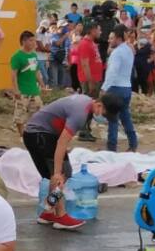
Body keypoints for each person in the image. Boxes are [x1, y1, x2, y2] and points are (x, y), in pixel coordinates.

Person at [22, 93, 122, 230]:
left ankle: (48, 211)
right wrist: (58, 172)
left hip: (38, 134)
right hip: (39, 134)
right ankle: (60, 216)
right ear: (99, 105)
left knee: (63, 173)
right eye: (104, 115)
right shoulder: (80, 114)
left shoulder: (85, 103)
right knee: (60, 174)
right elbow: (62, 143)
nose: (103, 118)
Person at [102, 25, 138, 152]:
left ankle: (111, 148)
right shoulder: (129, 50)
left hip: (115, 88)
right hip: (126, 87)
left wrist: (104, 88)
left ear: (118, 38)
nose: (109, 41)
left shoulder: (116, 53)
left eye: (111, 38)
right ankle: (133, 144)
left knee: (112, 119)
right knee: (125, 117)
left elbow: (112, 72)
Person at [10, 31, 44, 135]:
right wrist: (16, 90)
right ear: (24, 41)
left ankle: (32, 132)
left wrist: (42, 85)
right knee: (20, 114)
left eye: (34, 40)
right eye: (31, 40)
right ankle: (22, 135)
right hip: (23, 91)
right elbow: (13, 74)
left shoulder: (34, 55)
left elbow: (36, 71)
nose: (34, 43)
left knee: (37, 113)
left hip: (34, 90)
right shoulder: (17, 56)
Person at [74, 22, 103, 100]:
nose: (100, 32)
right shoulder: (84, 44)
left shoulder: (91, 42)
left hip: (95, 78)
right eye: (99, 30)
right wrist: (90, 82)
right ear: (93, 30)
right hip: (89, 80)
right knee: (88, 103)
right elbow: (85, 65)